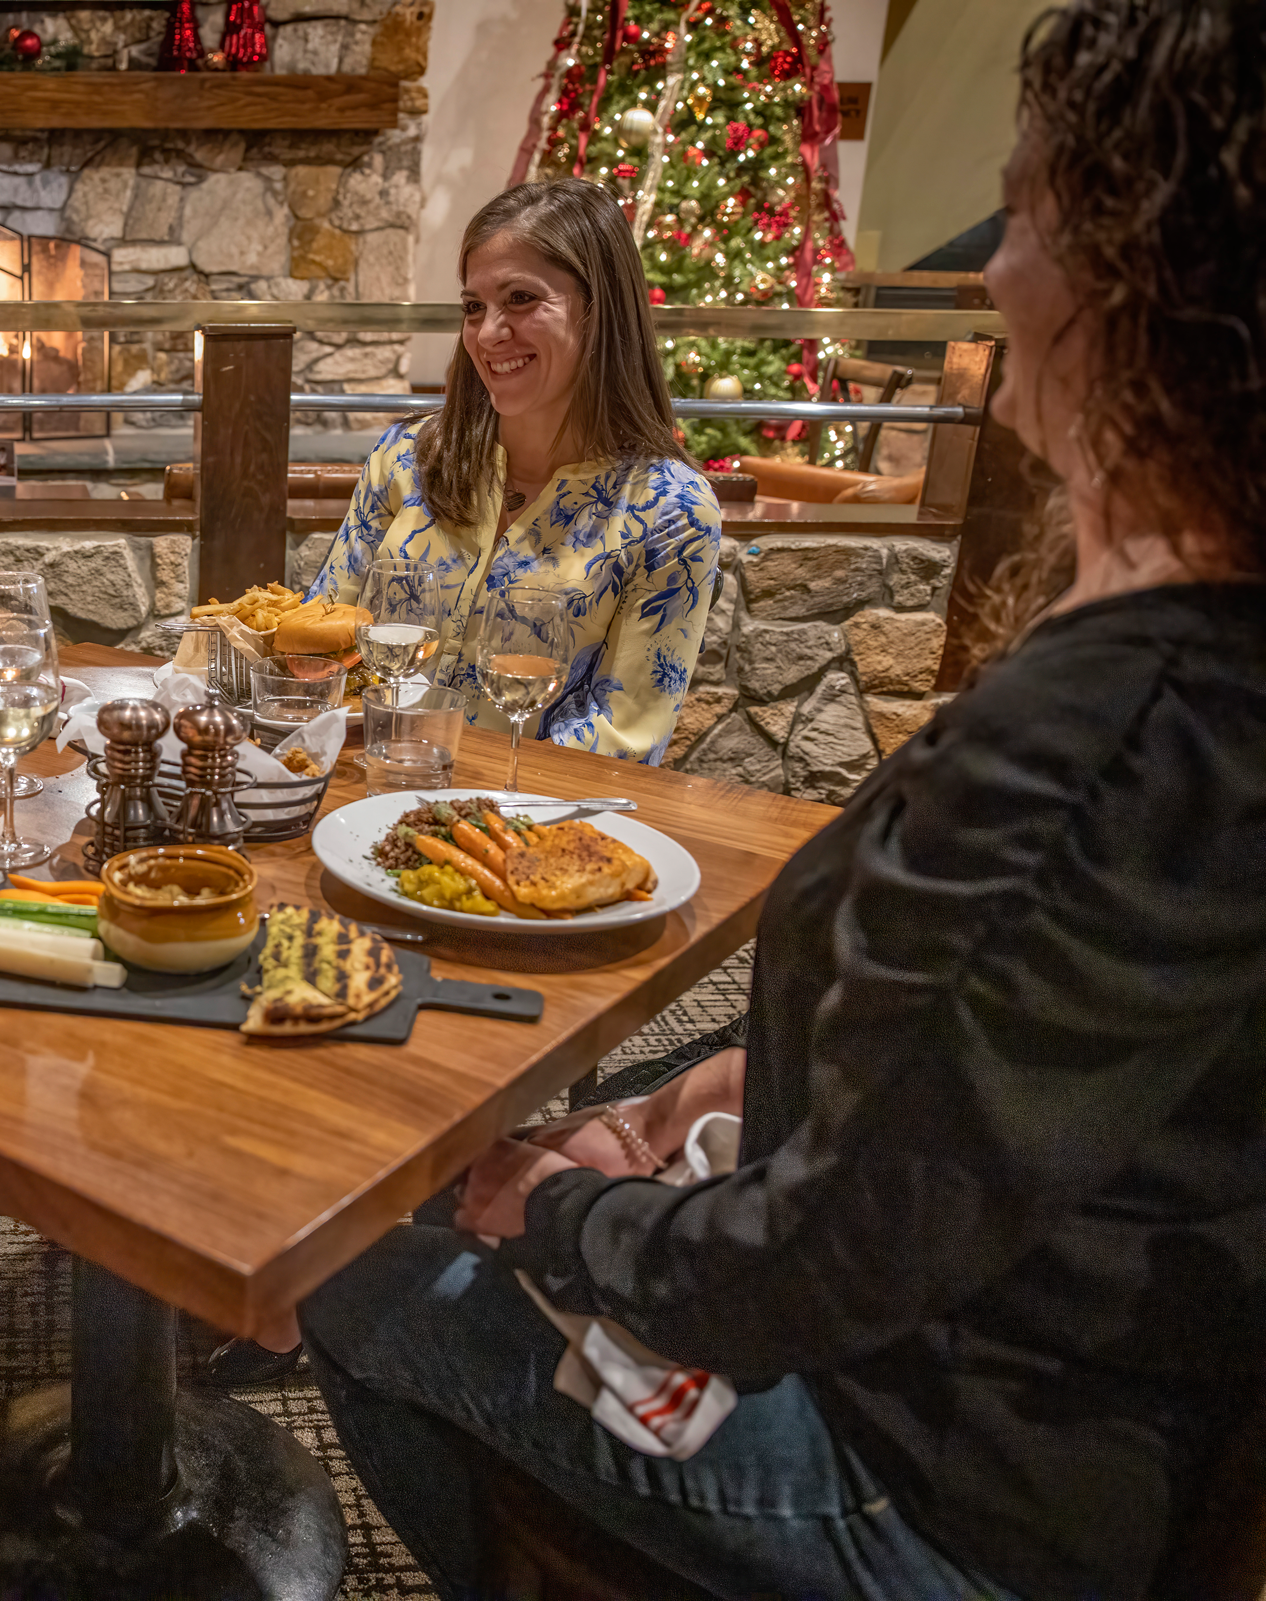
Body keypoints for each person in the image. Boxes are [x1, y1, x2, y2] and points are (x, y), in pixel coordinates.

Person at [298, 1, 1266, 1596]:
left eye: (1018, 215)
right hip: (1001, 1356)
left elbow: (826, 1262)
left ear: (1138, 274)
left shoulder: (1122, 739)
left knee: (339, 1265)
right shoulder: (1168, 692)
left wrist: (554, 1212)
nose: (983, 275)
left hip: (942, 1490)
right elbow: (990, 1073)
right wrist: (708, 1088)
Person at [305, 179, 722, 764]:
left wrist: (468, 794)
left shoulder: (672, 511)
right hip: (366, 786)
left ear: (600, 309)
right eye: (474, 306)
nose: (488, 333)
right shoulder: (405, 458)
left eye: (521, 299)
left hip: (534, 828)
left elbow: (628, 737)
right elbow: (322, 640)